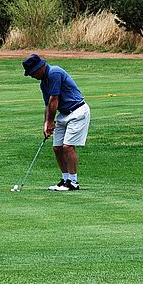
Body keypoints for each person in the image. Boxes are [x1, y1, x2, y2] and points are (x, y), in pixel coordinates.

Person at [22, 54, 90, 191]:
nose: (32, 76)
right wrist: (46, 124)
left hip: (77, 112)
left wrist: (50, 121)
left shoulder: (54, 73)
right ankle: (65, 179)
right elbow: (48, 105)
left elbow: (54, 100)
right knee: (57, 147)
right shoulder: (43, 83)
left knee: (68, 147)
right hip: (64, 114)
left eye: (32, 72)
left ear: (40, 67)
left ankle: (73, 182)